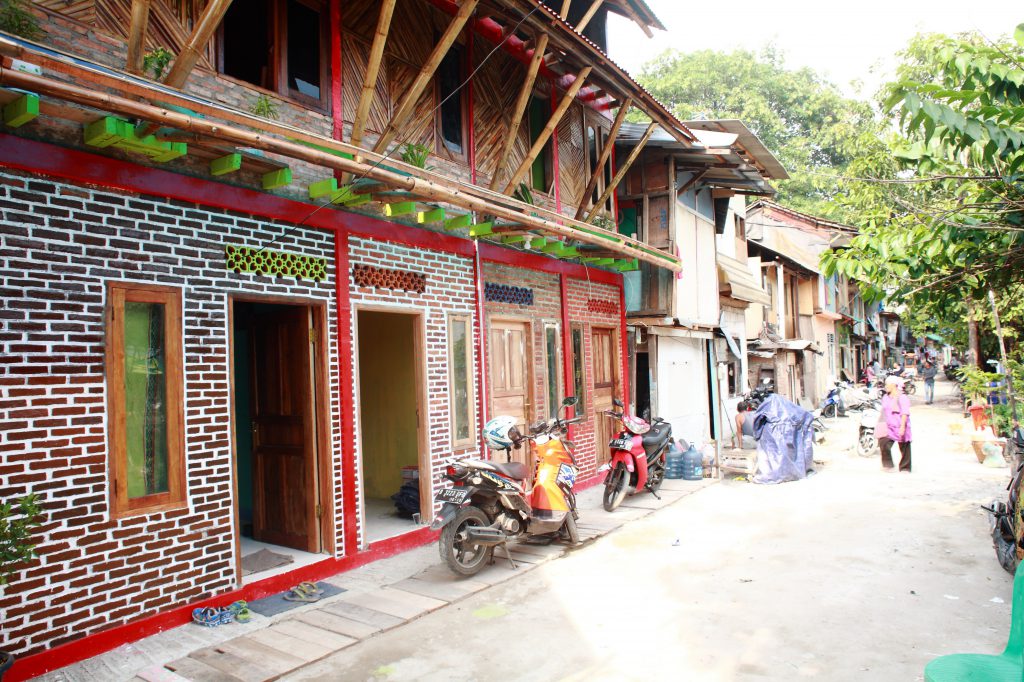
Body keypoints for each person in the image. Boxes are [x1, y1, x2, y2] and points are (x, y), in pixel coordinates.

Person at [879, 375, 912, 472]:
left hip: (900, 425)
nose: (885, 386)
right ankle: (888, 465)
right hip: (889, 426)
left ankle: (905, 468)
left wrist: (902, 427)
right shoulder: (885, 397)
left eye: (887, 384)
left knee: (904, 447)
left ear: (893, 385)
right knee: (883, 443)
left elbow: (905, 413)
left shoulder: (902, 397)